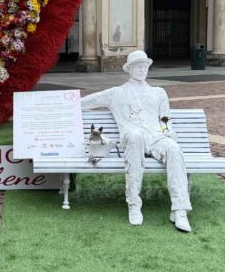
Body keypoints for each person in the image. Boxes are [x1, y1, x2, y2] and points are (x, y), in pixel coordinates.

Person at [81, 50, 193, 232]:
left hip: (156, 137)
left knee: (173, 148)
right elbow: (86, 102)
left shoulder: (158, 93)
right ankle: (134, 204)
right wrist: (61, 103)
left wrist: (168, 133)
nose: (142, 70)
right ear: (129, 69)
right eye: (138, 66)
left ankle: (179, 210)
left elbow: (165, 119)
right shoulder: (116, 93)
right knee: (135, 136)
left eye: (145, 66)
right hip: (132, 137)